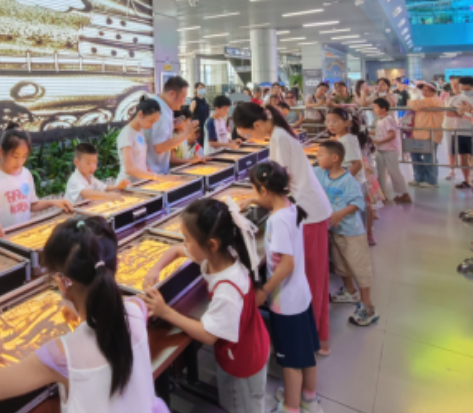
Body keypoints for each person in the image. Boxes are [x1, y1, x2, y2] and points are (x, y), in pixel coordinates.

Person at [0, 216, 168, 412]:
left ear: (62, 283)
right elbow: (131, 305)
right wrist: (85, 313)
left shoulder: (61, 355)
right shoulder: (136, 310)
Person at [142, 199, 268, 413]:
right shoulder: (222, 254)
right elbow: (176, 251)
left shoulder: (227, 289)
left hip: (243, 363)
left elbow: (208, 335)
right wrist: (156, 269)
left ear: (212, 245)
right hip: (245, 344)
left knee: (240, 405)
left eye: (187, 238)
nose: (184, 243)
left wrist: (165, 312)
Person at [233, 103, 334, 354]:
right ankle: (317, 336)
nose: (250, 139)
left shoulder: (278, 137)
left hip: (308, 213)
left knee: (310, 277)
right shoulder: (279, 133)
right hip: (308, 210)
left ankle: (312, 341)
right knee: (314, 276)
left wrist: (254, 198)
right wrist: (254, 197)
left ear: (257, 125)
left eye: (248, 134)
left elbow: (278, 184)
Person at [248, 162, 323, 413]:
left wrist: (264, 290)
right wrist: (252, 199)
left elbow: (286, 264)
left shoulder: (277, 221)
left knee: (290, 360)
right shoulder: (291, 207)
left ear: (264, 190)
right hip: (301, 294)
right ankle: (309, 398)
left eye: (254, 190)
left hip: (286, 301)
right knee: (306, 351)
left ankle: (291, 407)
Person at [314, 141, 379, 326]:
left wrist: (340, 213)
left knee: (359, 266)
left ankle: (367, 305)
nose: (317, 158)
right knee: (340, 263)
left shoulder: (348, 180)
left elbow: (358, 202)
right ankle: (350, 292)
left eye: (320, 155)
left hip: (351, 231)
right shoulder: (321, 173)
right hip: (335, 230)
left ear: (334, 158)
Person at [0, 124, 73, 237]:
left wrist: (53, 202)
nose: (19, 162)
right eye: (15, 156)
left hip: (22, 235)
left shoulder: (26, 174)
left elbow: (32, 205)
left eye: (24, 156)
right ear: (1, 152)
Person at [326, 108, 379, 244]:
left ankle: (363, 237)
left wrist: (342, 181)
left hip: (354, 182)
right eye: (328, 121)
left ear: (346, 123)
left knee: (358, 210)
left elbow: (357, 164)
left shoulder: (347, 140)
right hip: (355, 181)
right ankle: (365, 235)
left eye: (335, 121)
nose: (330, 125)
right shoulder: (343, 138)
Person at [118, 97, 179, 184]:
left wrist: (154, 175)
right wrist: (157, 177)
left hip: (140, 183)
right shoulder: (127, 134)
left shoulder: (140, 132)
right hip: (128, 184)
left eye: (154, 122)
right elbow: (129, 169)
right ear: (140, 114)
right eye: (151, 121)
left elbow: (140, 161)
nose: (152, 125)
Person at [144, 76, 196, 176]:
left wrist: (172, 126)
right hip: (153, 173)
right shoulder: (161, 111)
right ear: (172, 93)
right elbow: (159, 147)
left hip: (155, 171)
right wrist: (185, 135)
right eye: (183, 96)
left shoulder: (161, 105)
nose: (184, 101)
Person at [446, 76, 473, 190]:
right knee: (462, 156)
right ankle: (467, 180)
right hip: (459, 131)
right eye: (462, 88)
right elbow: (448, 113)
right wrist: (461, 112)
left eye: (467, 89)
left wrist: (468, 112)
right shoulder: (455, 99)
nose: (464, 91)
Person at [372, 98, 412, 203]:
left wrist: (379, 141)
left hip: (390, 150)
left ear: (383, 109)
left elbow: (391, 135)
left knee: (394, 172)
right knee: (380, 172)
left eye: (376, 107)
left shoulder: (389, 119)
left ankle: (404, 194)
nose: (374, 109)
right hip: (380, 149)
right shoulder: (380, 120)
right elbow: (380, 132)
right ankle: (382, 194)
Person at [407, 81, 445, 188]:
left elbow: (413, 104)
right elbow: (412, 104)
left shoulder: (435, 100)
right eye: (423, 89)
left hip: (431, 134)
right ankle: (419, 178)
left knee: (429, 157)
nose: (424, 92)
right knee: (415, 156)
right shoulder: (423, 100)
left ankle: (432, 181)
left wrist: (412, 101)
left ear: (434, 91)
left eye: (427, 90)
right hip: (418, 133)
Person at [64, 143, 129, 205]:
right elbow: (85, 193)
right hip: (73, 212)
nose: (92, 167)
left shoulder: (90, 177)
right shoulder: (74, 179)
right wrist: (106, 195)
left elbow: (104, 187)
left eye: (95, 162)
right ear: (77, 162)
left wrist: (118, 186)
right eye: (88, 163)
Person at [442, 77, 463, 182]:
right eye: (452, 85)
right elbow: (446, 112)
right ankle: (452, 170)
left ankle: (470, 172)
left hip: (463, 127)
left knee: (465, 152)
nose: (454, 87)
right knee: (450, 150)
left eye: (456, 84)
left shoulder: (465, 97)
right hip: (448, 126)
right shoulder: (447, 97)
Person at [191, 82, 211, 146]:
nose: (202, 89)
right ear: (195, 89)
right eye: (200, 88)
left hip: (205, 124)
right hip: (198, 126)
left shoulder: (204, 100)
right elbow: (190, 114)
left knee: (205, 142)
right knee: (199, 143)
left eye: (203, 88)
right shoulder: (194, 101)